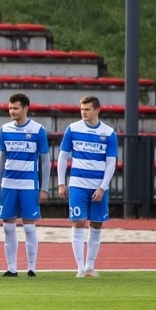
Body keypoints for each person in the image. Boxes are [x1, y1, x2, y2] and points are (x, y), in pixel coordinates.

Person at [55, 95, 119, 278]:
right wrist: (61, 183)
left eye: (87, 109)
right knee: (78, 222)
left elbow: (111, 163)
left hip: (98, 186)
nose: (83, 112)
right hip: (77, 185)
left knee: (96, 225)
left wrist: (102, 187)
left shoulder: (108, 133)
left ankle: (90, 266)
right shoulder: (73, 129)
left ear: (97, 110)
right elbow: (62, 157)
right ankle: (80, 268)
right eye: (82, 109)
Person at [0, 92, 50, 277]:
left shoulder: (38, 130)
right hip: (8, 185)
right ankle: (11, 268)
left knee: (29, 226)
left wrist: (44, 188)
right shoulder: (5, 129)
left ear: (25, 108)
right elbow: (2, 159)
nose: (12, 111)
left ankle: (31, 268)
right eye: (10, 108)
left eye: (15, 108)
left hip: (28, 185)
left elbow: (45, 161)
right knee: (7, 226)